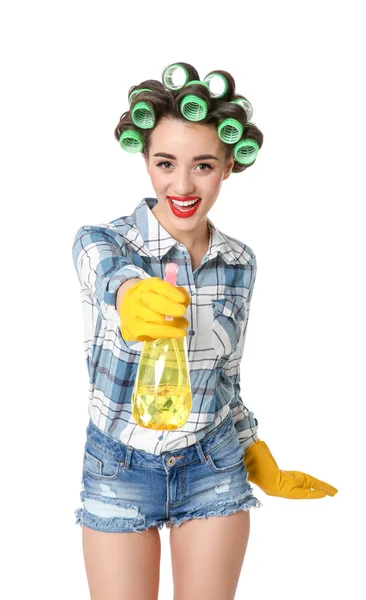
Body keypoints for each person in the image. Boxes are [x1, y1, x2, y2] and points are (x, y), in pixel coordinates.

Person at [72, 62, 338, 600]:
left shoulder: (239, 262)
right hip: (119, 465)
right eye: (166, 163)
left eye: (204, 165)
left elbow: (227, 375)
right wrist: (130, 296)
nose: (183, 184)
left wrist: (251, 448)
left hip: (213, 463)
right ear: (146, 161)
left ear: (228, 168)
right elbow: (106, 274)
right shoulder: (104, 241)